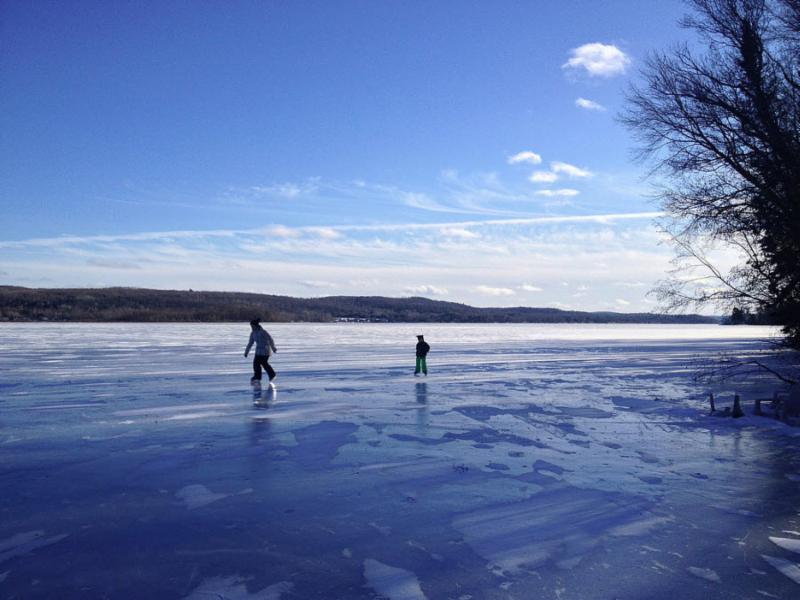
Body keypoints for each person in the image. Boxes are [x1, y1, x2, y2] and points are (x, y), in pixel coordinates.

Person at [244, 319, 277, 384]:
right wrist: (246, 352)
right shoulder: (253, 333)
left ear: (256, 325)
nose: (251, 327)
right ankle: (257, 377)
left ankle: (272, 375)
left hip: (265, 351)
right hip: (258, 351)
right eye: (251, 326)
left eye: (252, 326)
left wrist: (273, 348)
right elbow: (250, 343)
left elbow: (270, 339)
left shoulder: (263, 332)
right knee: (256, 364)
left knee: (264, 363)